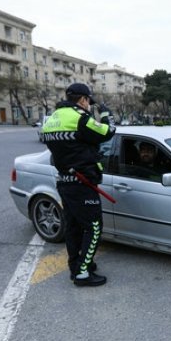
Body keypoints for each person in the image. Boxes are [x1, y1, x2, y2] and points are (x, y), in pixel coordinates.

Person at [40, 83, 115, 287]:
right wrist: (107, 115)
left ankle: (77, 265)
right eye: (89, 101)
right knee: (94, 227)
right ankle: (82, 273)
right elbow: (108, 132)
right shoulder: (80, 118)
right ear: (82, 100)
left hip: (65, 181)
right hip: (82, 183)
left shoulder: (52, 119)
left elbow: (55, 143)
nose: (89, 105)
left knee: (73, 227)